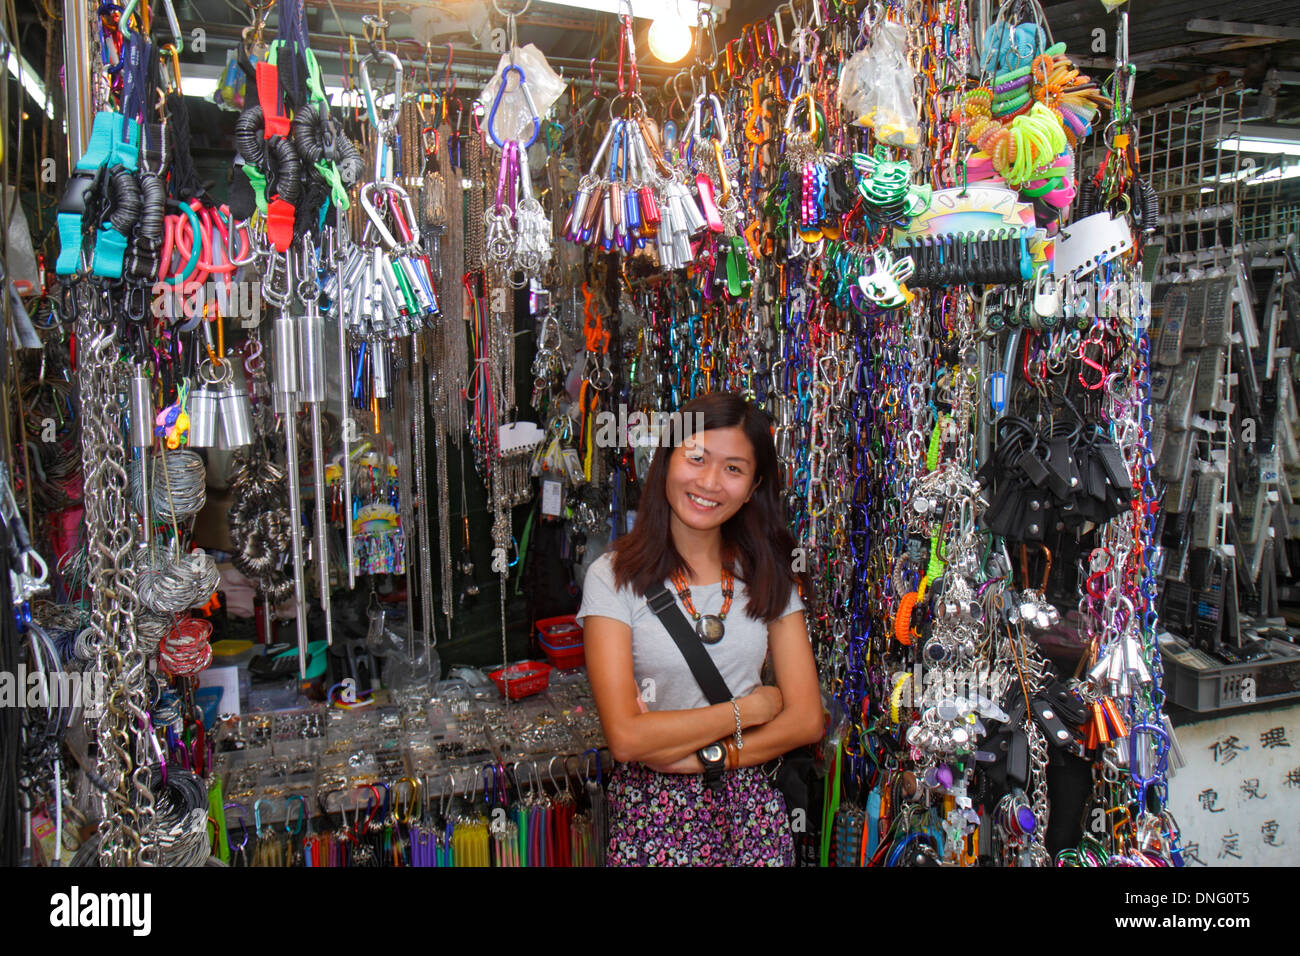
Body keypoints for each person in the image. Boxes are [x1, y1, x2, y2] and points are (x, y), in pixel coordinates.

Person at [577, 392, 823, 866]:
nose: (710, 482)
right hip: (653, 823)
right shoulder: (613, 579)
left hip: (753, 819)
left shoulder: (769, 574)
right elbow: (627, 737)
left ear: (753, 487)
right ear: (667, 458)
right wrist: (750, 709)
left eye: (734, 468)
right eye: (696, 458)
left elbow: (806, 719)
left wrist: (709, 758)